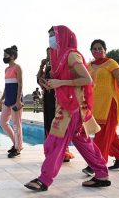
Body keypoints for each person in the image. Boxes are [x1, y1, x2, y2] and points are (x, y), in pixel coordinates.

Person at [25, 25, 110, 192]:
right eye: (49, 36)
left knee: (55, 142)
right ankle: (102, 174)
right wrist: (51, 84)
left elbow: (86, 79)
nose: (51, 40)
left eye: (53, 36)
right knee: (83, 142)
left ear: (62, 37)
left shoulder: (71, 55)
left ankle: (44, 180)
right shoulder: (60, 57)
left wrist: (61, 83)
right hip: (67, 105)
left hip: (72, 108)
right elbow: (64, 80)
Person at [82, 39, 119, 176]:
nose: (97, 51)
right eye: (94, 49)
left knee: (102, 134)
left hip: (110, 104)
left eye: (100, 48)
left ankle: (97, 164)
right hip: (95, 105)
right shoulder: (88, 66)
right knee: (108, 133)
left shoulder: (112, 64)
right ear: (91, 51)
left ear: (105, 50)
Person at [37, 48, 74, 162]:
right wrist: (41, 66)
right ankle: (52, 151)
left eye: (51, 53)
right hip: (48, 98)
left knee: (58, 123)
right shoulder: (48, 68)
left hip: (58, 98)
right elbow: (39, 80)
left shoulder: (60, 67)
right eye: (47, 54)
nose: (49, 55)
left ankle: (63, 152)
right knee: (49, 122)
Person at [0, 45, 24, 158]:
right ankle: (16, 143)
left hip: (15, 100)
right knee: (3, 122)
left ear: (12, 56)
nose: (4, 57)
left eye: (6, 55)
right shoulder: (6, 69)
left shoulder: (17, 68)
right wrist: (1, 99)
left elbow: (20, 84)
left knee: (16, 125)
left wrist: (18, 100)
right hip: (8, 99)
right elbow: (6, 86)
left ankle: (17, 148)